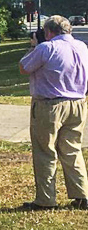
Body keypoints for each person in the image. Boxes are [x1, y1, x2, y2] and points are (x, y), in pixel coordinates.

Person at [19, 15, 88, 211]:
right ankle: (81, 194)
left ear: (49, 31)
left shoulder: (46, 48)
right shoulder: (82, 47)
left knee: (45, 151)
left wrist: (33, 45)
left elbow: (24, 67)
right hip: (77, 103)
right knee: (72, 149)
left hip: (50, 105)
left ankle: (46, 199)